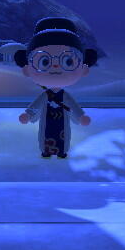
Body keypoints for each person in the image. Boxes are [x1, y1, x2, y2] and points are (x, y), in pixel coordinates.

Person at [14, 17, 97, 158]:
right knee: (45, 132)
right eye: (44, 61)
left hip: (61, 121)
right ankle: (46, 150)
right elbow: (36, 105)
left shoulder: (63, 96)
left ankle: (61, 151)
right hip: (47, 120)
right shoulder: (46, 95)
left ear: (83, 68)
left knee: (63, 134)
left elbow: (73, 106)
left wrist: (80, 116)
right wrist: (28, 114)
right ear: (28, 69)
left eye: (68, 61)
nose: (55, 66)